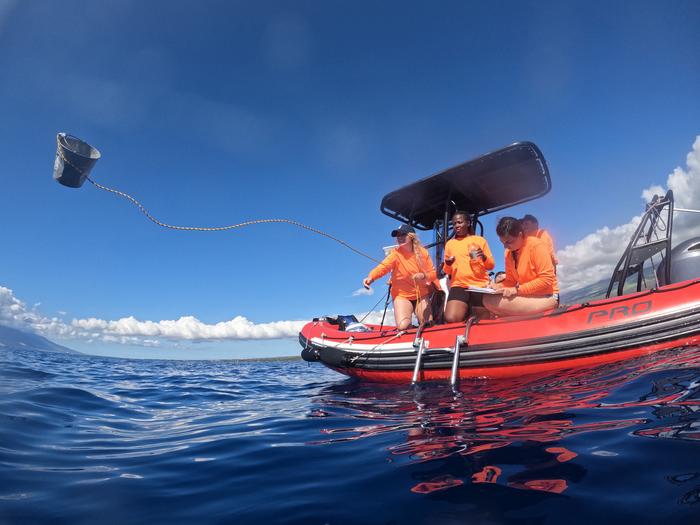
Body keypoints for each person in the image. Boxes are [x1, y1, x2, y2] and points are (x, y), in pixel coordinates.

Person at [363, 224, 439, 330]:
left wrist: (423, 275)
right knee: (403, 326)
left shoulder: (423, 252)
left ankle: (420, 329)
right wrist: (371, 277)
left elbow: (433, 274)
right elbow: (383, 267)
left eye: (403, 234)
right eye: (397, 235)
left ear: (411, 236)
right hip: (402, 296)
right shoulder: (395, 254)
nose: (399, 237)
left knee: (428, 325)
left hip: (421, 295)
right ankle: (412, 329)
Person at [483, 217, 559, 316]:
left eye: (508, 242)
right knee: (487, 299)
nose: (505, 246)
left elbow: (546, 279)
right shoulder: (508, 253)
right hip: (527, 296)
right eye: (503, 243)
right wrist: (495, 287)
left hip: (547, 297)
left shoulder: (536, 245)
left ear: (520, 235)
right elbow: (510, 281)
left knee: (491, 301)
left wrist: (516, 290)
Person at [442, 211, 495, 323]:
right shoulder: (449, 244)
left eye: (459, 222)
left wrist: (484, 257)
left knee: (483, 320)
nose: (456, 225)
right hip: (459, 285)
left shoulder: (480, 240)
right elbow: (446, 270)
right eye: (454, 223)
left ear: (468, 223)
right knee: (451, 318)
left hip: (479, 285)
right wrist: (448, 264)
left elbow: (491, 266)